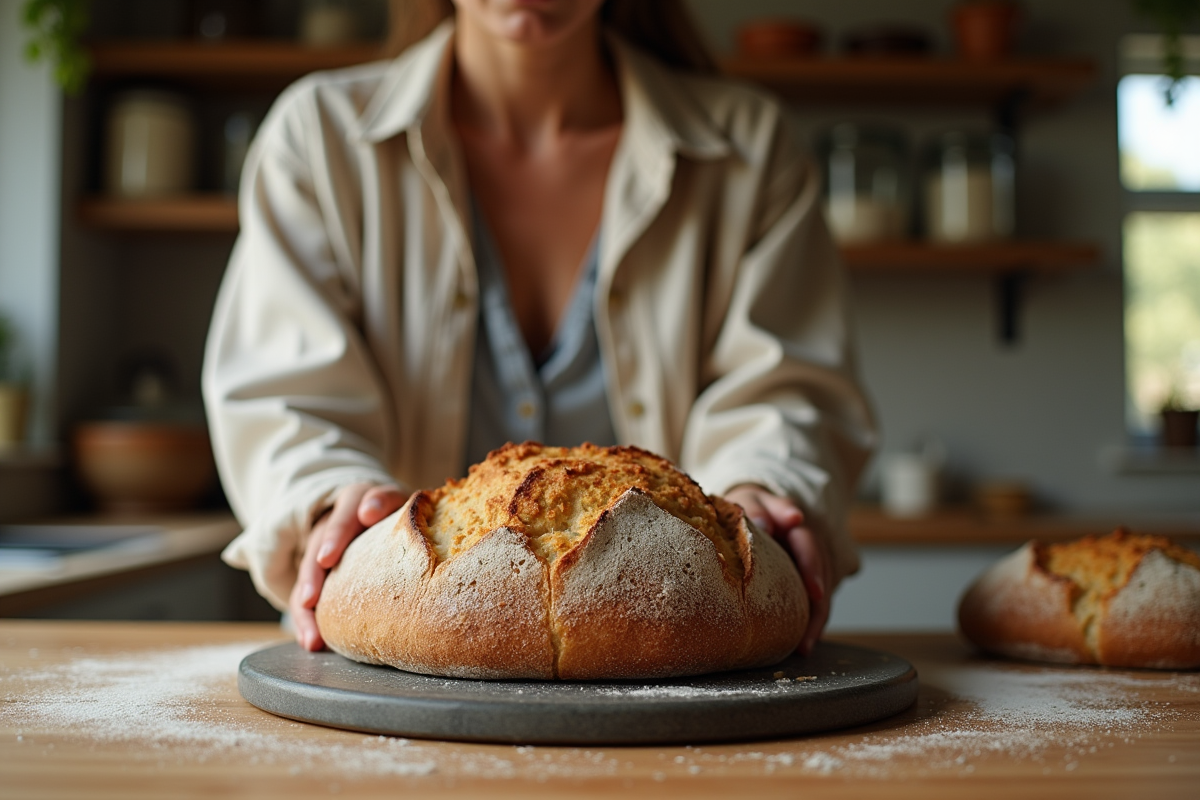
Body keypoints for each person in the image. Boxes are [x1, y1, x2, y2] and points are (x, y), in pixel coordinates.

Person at [202, 0, 876, 660]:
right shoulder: (320, 140)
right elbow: (284, 396)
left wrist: (764, 483)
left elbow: (786, 389)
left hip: (676, 695)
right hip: (402, 711)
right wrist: (327, 497)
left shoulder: (748, 150)